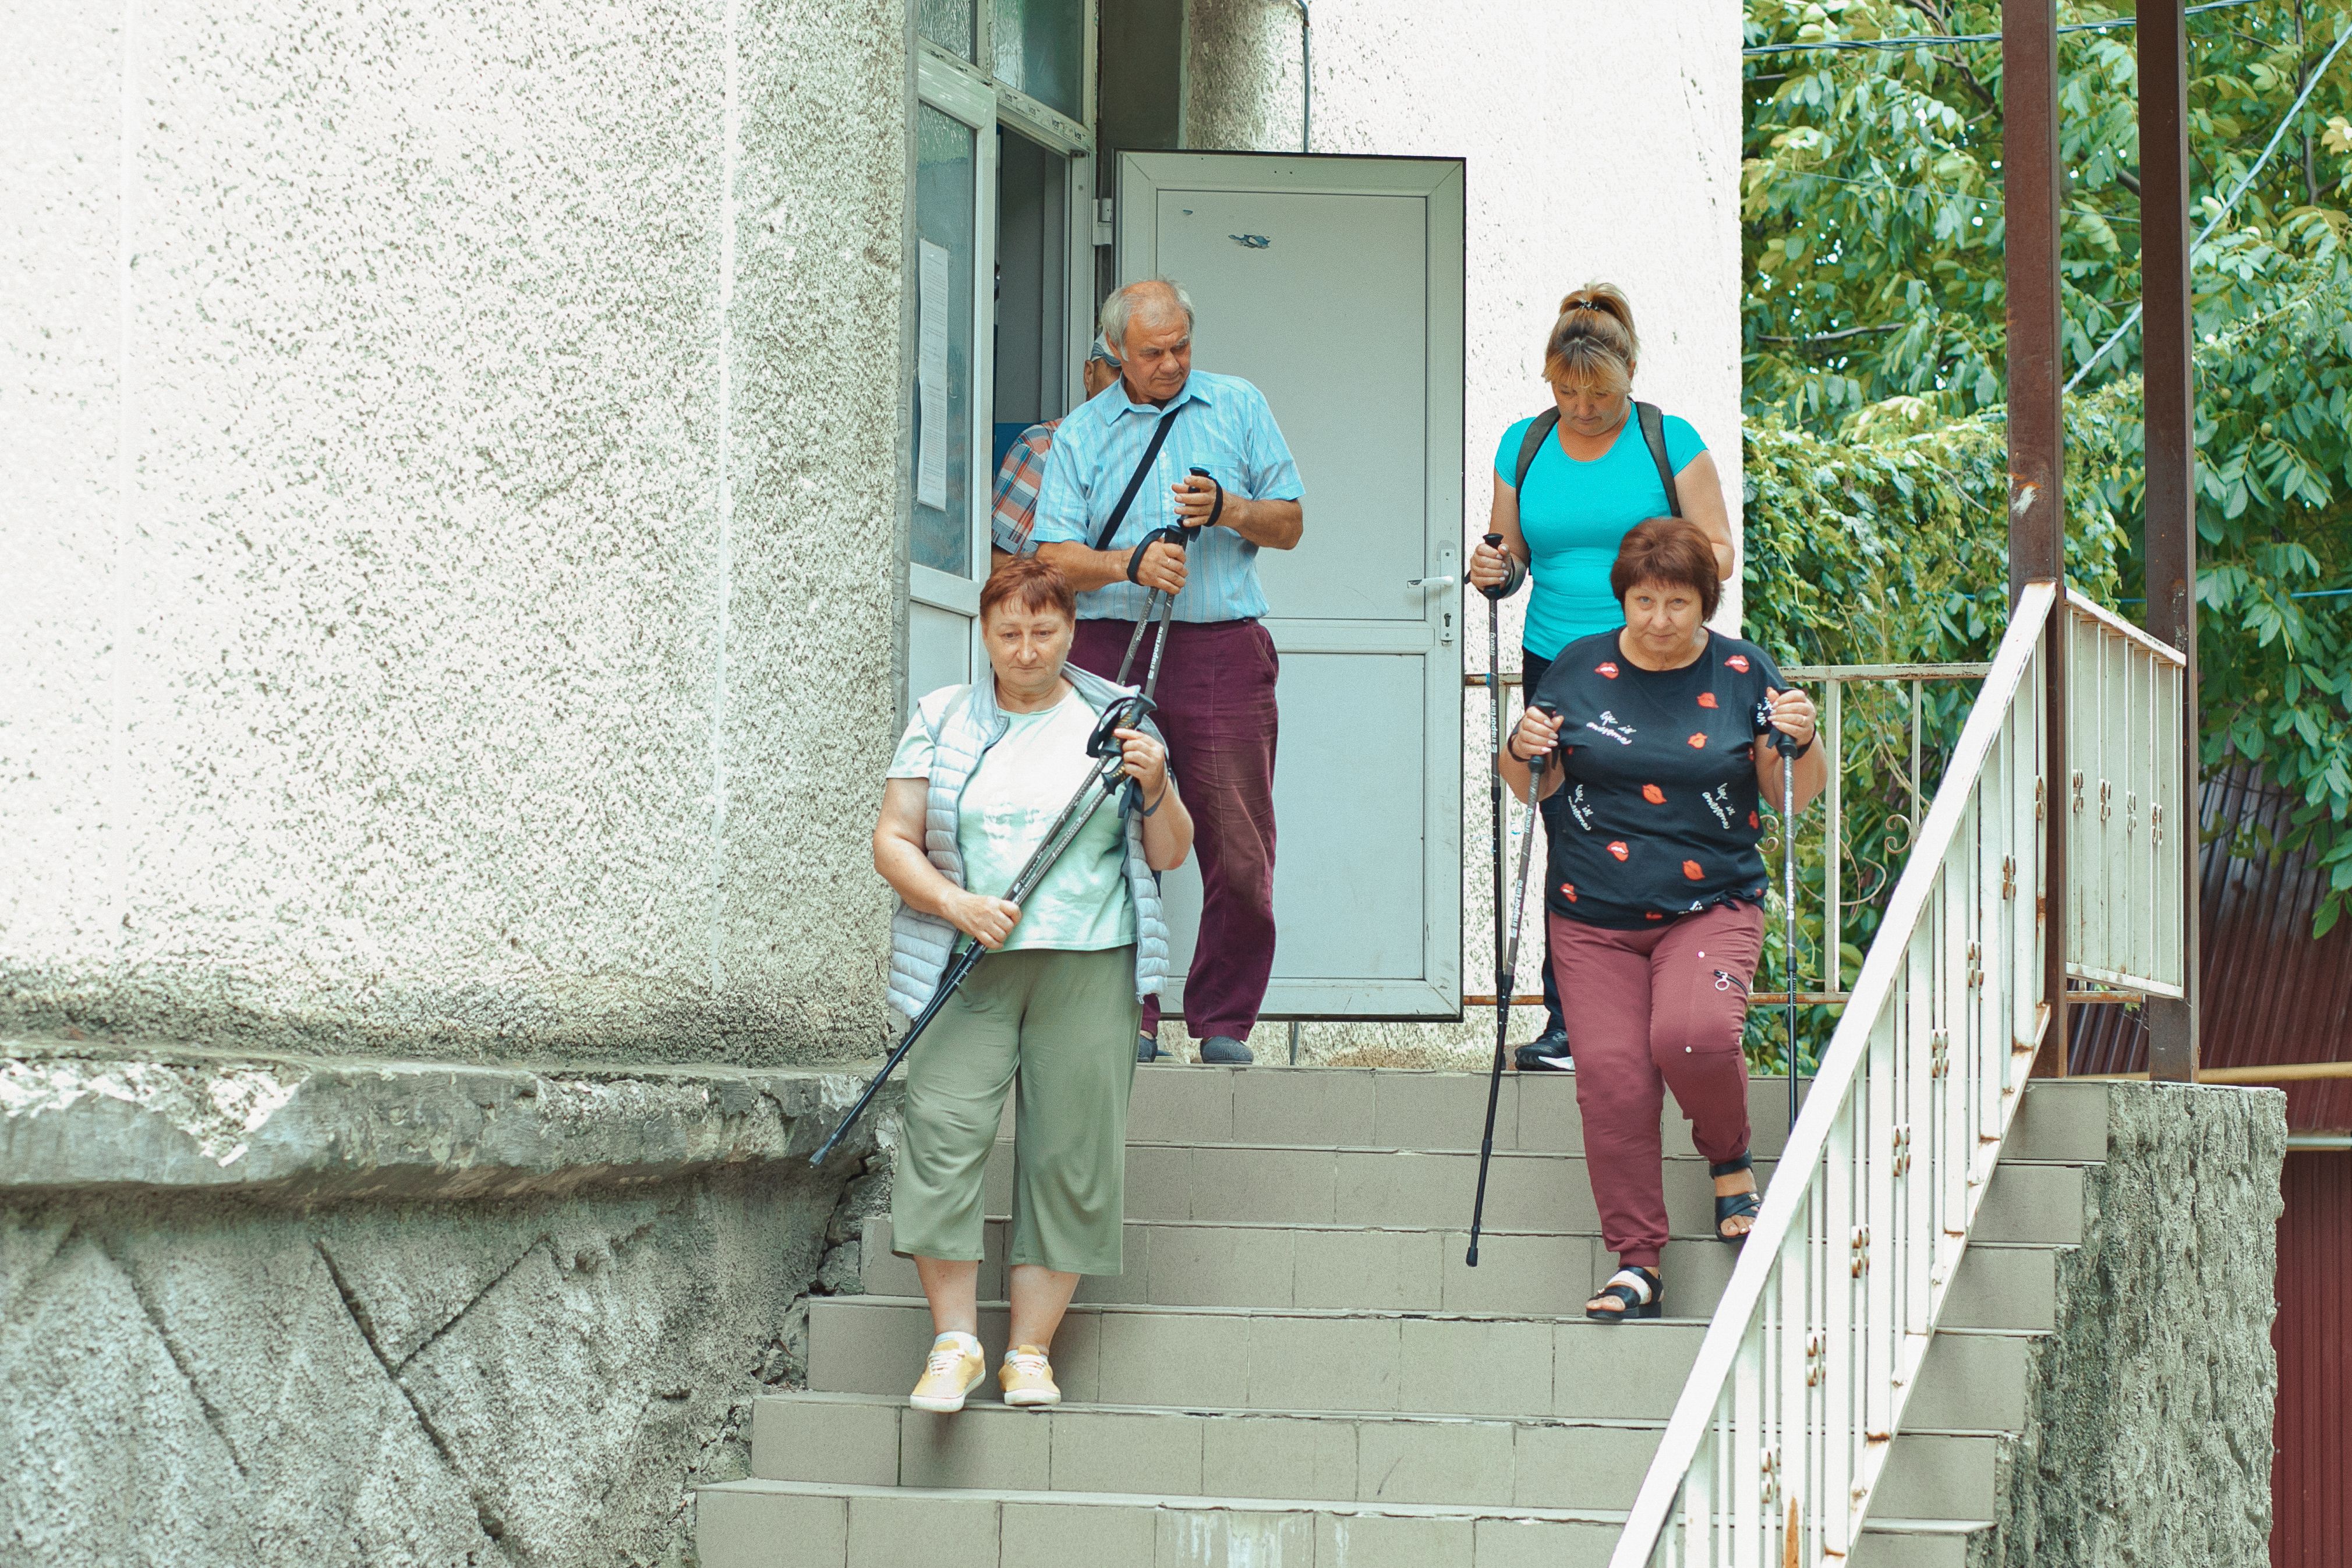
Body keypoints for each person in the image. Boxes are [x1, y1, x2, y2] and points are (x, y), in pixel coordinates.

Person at [872, 555, 1194, 1411]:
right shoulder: (941, 716)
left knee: (1072, 1154)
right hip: (967, 960)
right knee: (941, 1135)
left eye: (1043, 630)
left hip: (1090, 961)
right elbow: (893, 839)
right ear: (983, 633)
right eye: (1008, 632)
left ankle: (1028, 1352)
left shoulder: (1114, 716)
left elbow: (1169, 853)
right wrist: (953, 902)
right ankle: (952, 1344)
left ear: (1069, 631)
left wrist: (1156, 781)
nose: (1025, 649)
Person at [1495, 519, 1824, 1323]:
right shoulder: (1577, 668)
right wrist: (1520, 742)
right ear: (1624, 598)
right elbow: (1529, 784)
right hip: (1590, 914)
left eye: (1676, 602)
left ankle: (1728, 1158)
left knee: (1694, 1034)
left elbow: (1793, 794)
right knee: (1610, 1077)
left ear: (1703, 602)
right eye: (1643, 600)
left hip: (1708, 902)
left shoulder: (1745, 672)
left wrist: (1802, 739)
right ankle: (1636, 1259)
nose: (1658, 619)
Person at [1028, 278, 1304, 1066]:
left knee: (1238, 843)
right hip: (1110, 647)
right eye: (1153, 352)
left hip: (1221, 646)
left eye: (1182, 344)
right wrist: (1128, 561)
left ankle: (1222, 1020)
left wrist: (1227, 510)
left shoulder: (1236, 404)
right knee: (1112, 833)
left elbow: (1288, 520)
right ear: (1114, 352)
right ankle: (1132, 1014)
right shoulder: (1080, 434)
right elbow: (1050, 557)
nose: (1172, 363)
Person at [1467, 284, 1738, 1074]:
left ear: (1629, 374)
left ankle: (1667, 1011)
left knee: (1661, 821)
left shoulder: (1667, 439)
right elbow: (1509, 556)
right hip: (1558, 662)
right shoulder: (1522, 444)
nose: (1584, 408)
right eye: (1567, 392)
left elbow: (1718, 552)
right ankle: (1569, 1021)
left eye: (1601, 394)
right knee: (1568, 830)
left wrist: (1651, 568)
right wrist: (1494, 568)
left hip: (1657, 657)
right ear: (1548, 380)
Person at [989, 335, 1129, 569]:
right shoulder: (1041, 448)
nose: (1126, 385)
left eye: (1135, 376)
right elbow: (997, 564)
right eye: (1117, 369)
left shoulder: (1147, 459)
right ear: (1089, 374)